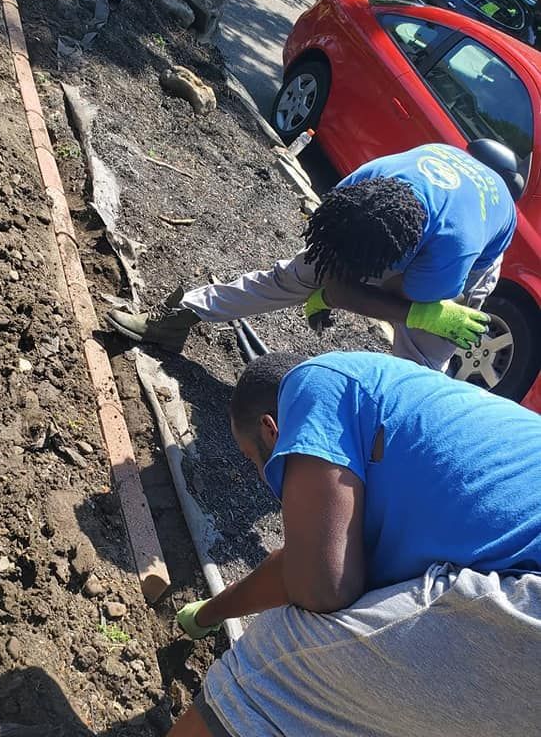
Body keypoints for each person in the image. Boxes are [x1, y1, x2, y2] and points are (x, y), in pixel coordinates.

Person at [169, 350, 541, 737]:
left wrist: (211, 614)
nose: (260, 475)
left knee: (273, 669)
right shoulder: (399, 407)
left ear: (271, 429)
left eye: (251, 459)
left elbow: (324, 587)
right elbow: (303, 565)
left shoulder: (313, 383)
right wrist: (211, 613)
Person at [107, 142, 523, 371]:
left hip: (473, 263)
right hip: (396, 224)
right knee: (292, 276)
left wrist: (412, 313)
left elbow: (409, 301)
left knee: (422, 355)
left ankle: (386, 451)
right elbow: (338, 273)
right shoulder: (365, 186)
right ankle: (180, 318)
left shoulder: (454, 247)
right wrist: (328, 287)